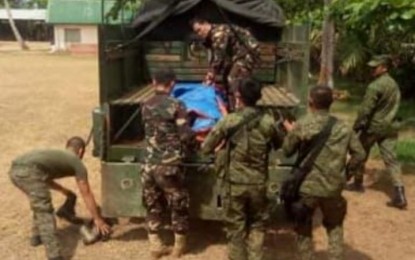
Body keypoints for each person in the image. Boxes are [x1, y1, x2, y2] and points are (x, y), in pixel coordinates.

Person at [201, 78, 283, 260]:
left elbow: (206, 148)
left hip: (234, 184)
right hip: (258, 183)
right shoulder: (268, 122)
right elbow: (280, 144)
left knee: (235, 227)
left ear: (238, 96)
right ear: (259, 97)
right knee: (257, 225)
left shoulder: (228, 121)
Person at [282, 85, 366, 260]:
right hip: (333, 187)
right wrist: (346, 174)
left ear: (310, 101)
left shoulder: (303, 124)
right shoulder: (343, 127)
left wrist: (292, 132)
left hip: (307, 188)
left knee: (303, 228)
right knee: (335, 227)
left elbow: (287, 150)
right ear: (331, 103)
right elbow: (360, 154)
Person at [8, 137, 111, 260]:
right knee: (44, 211)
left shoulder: (58, 155)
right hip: (29, 172)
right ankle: (54, 255)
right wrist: (97, 219)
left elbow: (44, 178)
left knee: (39, 203)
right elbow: (86, 192)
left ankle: (37, 237)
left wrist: (64, 191)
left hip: (15, 171)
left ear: (67, 146)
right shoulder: (76, 162)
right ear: (81, 151)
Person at [141, 68, 195, 258]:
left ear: (154, 82)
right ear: (172, 83)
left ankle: (155, 245)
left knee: (152, 203)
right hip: (169, 165)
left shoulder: (145, 104)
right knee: (178, 202)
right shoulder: (177, 104)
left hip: (148, 164)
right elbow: (185, 135)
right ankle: (178, 247)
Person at [347, 55, 408, 209]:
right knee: (391, 159)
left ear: (384, 68)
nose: (372, 69)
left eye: (375, 67)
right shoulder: (394, 85)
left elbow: (365, 110)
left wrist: (357, 126)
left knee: (359, 152)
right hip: (390, 126)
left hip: (373, 127)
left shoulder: (375, 86)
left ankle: (354, 182)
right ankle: (400, 194)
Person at [190, 18, 261, 110]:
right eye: (197, 32)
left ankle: (241, 108)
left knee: (233, 77)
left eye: (199, 30)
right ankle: (231, 107)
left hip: (248, 53)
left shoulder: (219, 33)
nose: (199, 34)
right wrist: (212, 73)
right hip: (237, 55)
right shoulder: (212, 35)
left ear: (205, 23)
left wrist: (211, 74)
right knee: (226, 77)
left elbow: (219, 56)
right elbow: (217, 57)